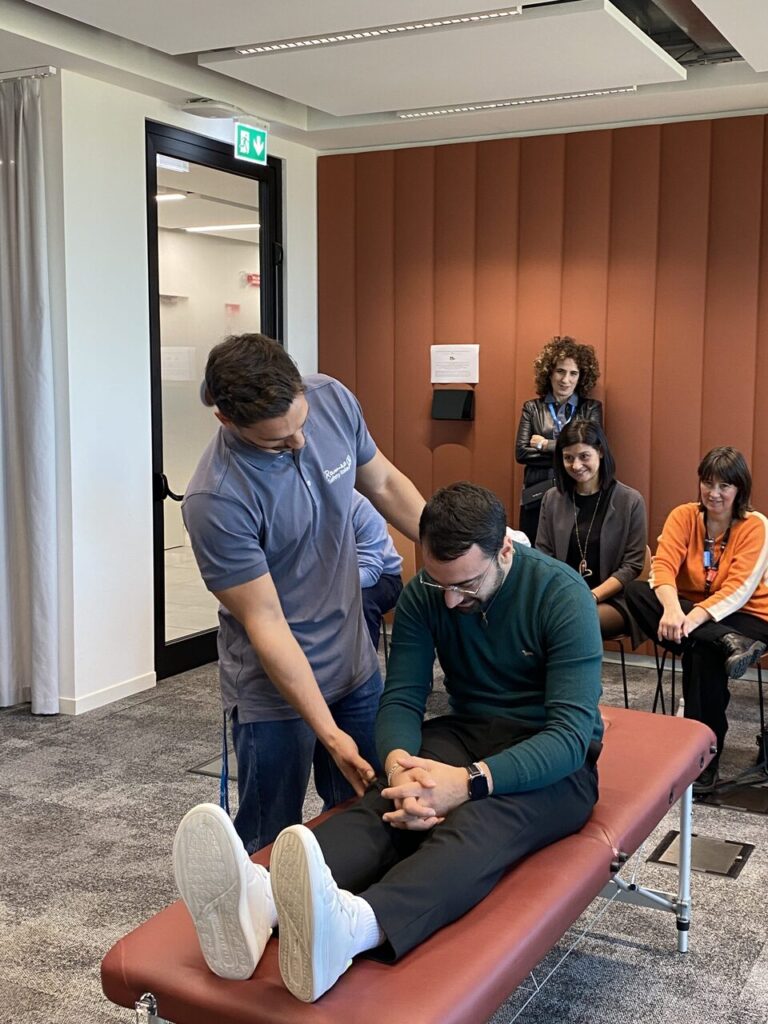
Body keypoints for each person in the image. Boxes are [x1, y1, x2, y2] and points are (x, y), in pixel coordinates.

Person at [173, 482, 604, 1002]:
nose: (451, 599)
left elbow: (570, 735)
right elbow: (401, 699)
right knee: (389, 803)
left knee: (477, 823)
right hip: (468, 730)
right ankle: (261, 900)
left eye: (466, 586)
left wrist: (467, 784)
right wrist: (400, 767)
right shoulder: (426, 594)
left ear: (505, 551)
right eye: (441, 583)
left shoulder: (561, 595)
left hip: (556, 760)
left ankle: (355, 927)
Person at [182, 334, 425, 853]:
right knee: (272, 838)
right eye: (277, 441)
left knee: (370, 814)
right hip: (273, 692)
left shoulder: (331, 398)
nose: (298, 443)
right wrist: (328, 733)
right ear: (226, 420)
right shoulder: (216, 499)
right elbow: (266, 622)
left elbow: (383, 483)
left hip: (354, 666)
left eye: (301, 424)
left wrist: (456, 547)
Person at [626, 447, 768, 792]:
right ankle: (726, 643)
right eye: (708, 483)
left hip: (749, 617)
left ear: (740, 489)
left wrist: (690, 621)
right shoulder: (683, 516)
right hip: (694, 613)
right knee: (635, 591)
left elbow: (739, 590)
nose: (713, 493)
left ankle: (703, 759)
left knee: (702, 652)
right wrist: (673, 609)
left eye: (724, 486)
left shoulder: (756, 525)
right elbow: (662, 567)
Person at [536, 419, 647, 644]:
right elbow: (543, 556)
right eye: (568, 458)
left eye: (584, 456)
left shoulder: (630, 501)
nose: (576, 465)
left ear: (601, 452)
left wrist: (591, 595)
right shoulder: (552, 499)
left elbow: (632, 566)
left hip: (614, 599)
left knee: (570, 623)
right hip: (562, 596)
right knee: (529, 619)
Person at [515, 336, 602, 544]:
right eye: (560, 371)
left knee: (575, 548)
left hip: (579, 490)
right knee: (535, 549)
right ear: (549, 373)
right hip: (537, 494)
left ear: (581, 377)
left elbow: (591, 449)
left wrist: (544, 444)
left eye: (573, 373)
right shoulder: (532, 408)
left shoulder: (591, 408)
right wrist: (573, 454)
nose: (565, 380)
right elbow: (521, 453)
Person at [351, 490, 403, 651]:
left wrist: (328, 588)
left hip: (383, 576)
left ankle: (365, 664)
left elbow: (370, 572)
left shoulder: (361, 506)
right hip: (331, 578)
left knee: (361, 602)